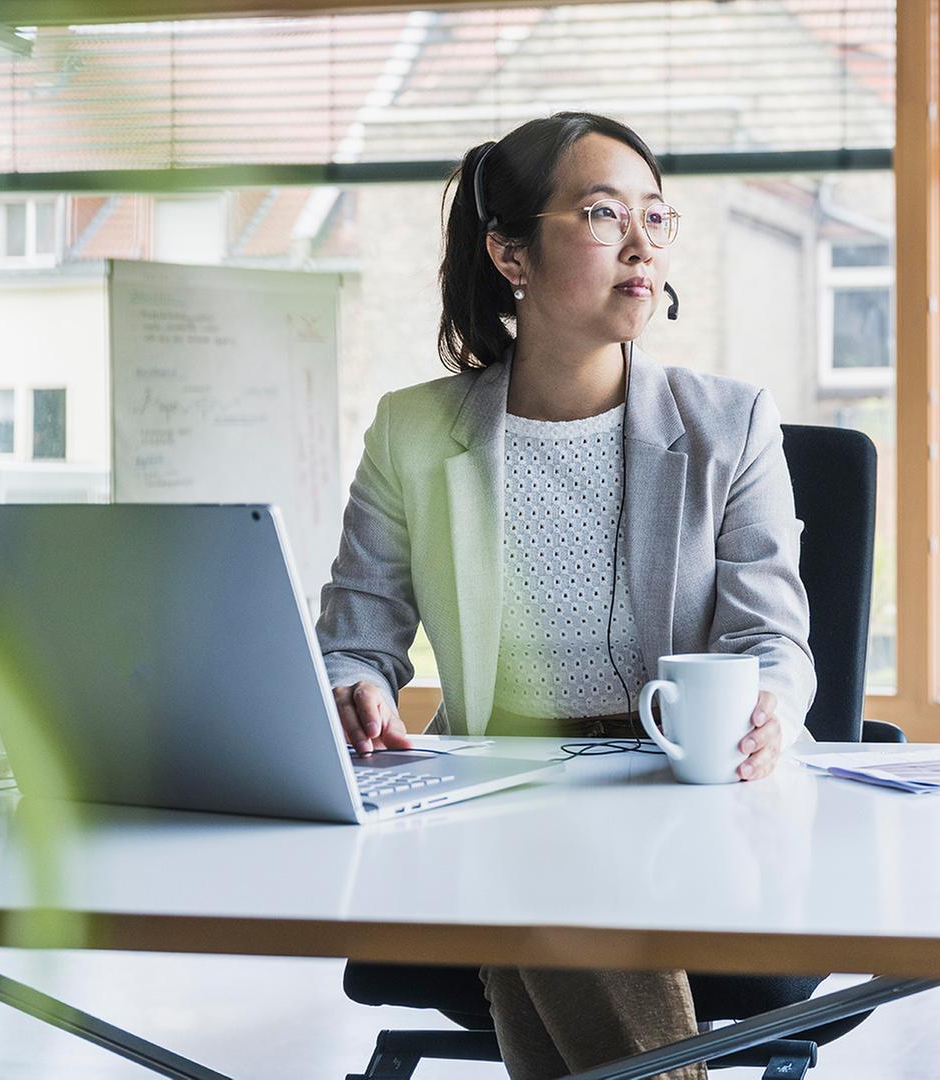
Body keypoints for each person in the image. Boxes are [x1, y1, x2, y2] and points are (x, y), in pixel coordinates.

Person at [315, 110, 816, 1080]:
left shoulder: (730, 424)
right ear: (510, 253)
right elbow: (355, 638)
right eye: (600, 213)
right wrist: (355, 690)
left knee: (551, 868)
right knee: (543, 845)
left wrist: (767, 707)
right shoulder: (412, 432)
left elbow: (774, 645)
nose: (641, 244)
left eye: (656, 217)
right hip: (490, 792)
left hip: (683, 800)